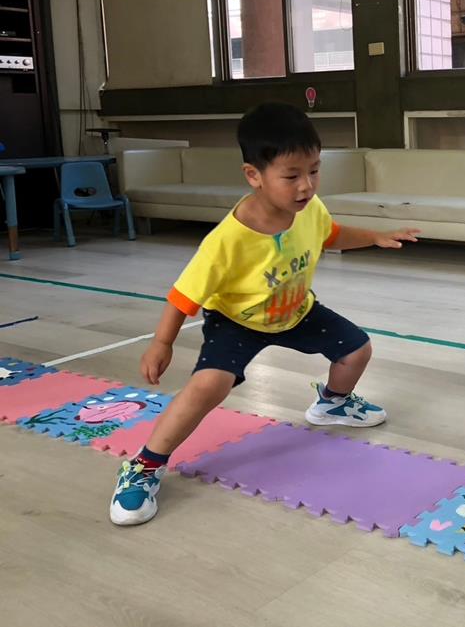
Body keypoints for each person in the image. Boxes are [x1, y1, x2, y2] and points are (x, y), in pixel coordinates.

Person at [109, 102, 418, 526]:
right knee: (209, 386)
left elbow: (331, 235)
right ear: (254, 175)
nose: (306, 186)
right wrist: (162, 343)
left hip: (296, 310)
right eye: (291, 176)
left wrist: (376, 236)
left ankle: (333, 403)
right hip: (238, 322)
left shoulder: (309, 209)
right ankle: (144, 466)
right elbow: (184, 295)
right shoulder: (228, 240)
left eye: (314, 171)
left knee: (357, 350)